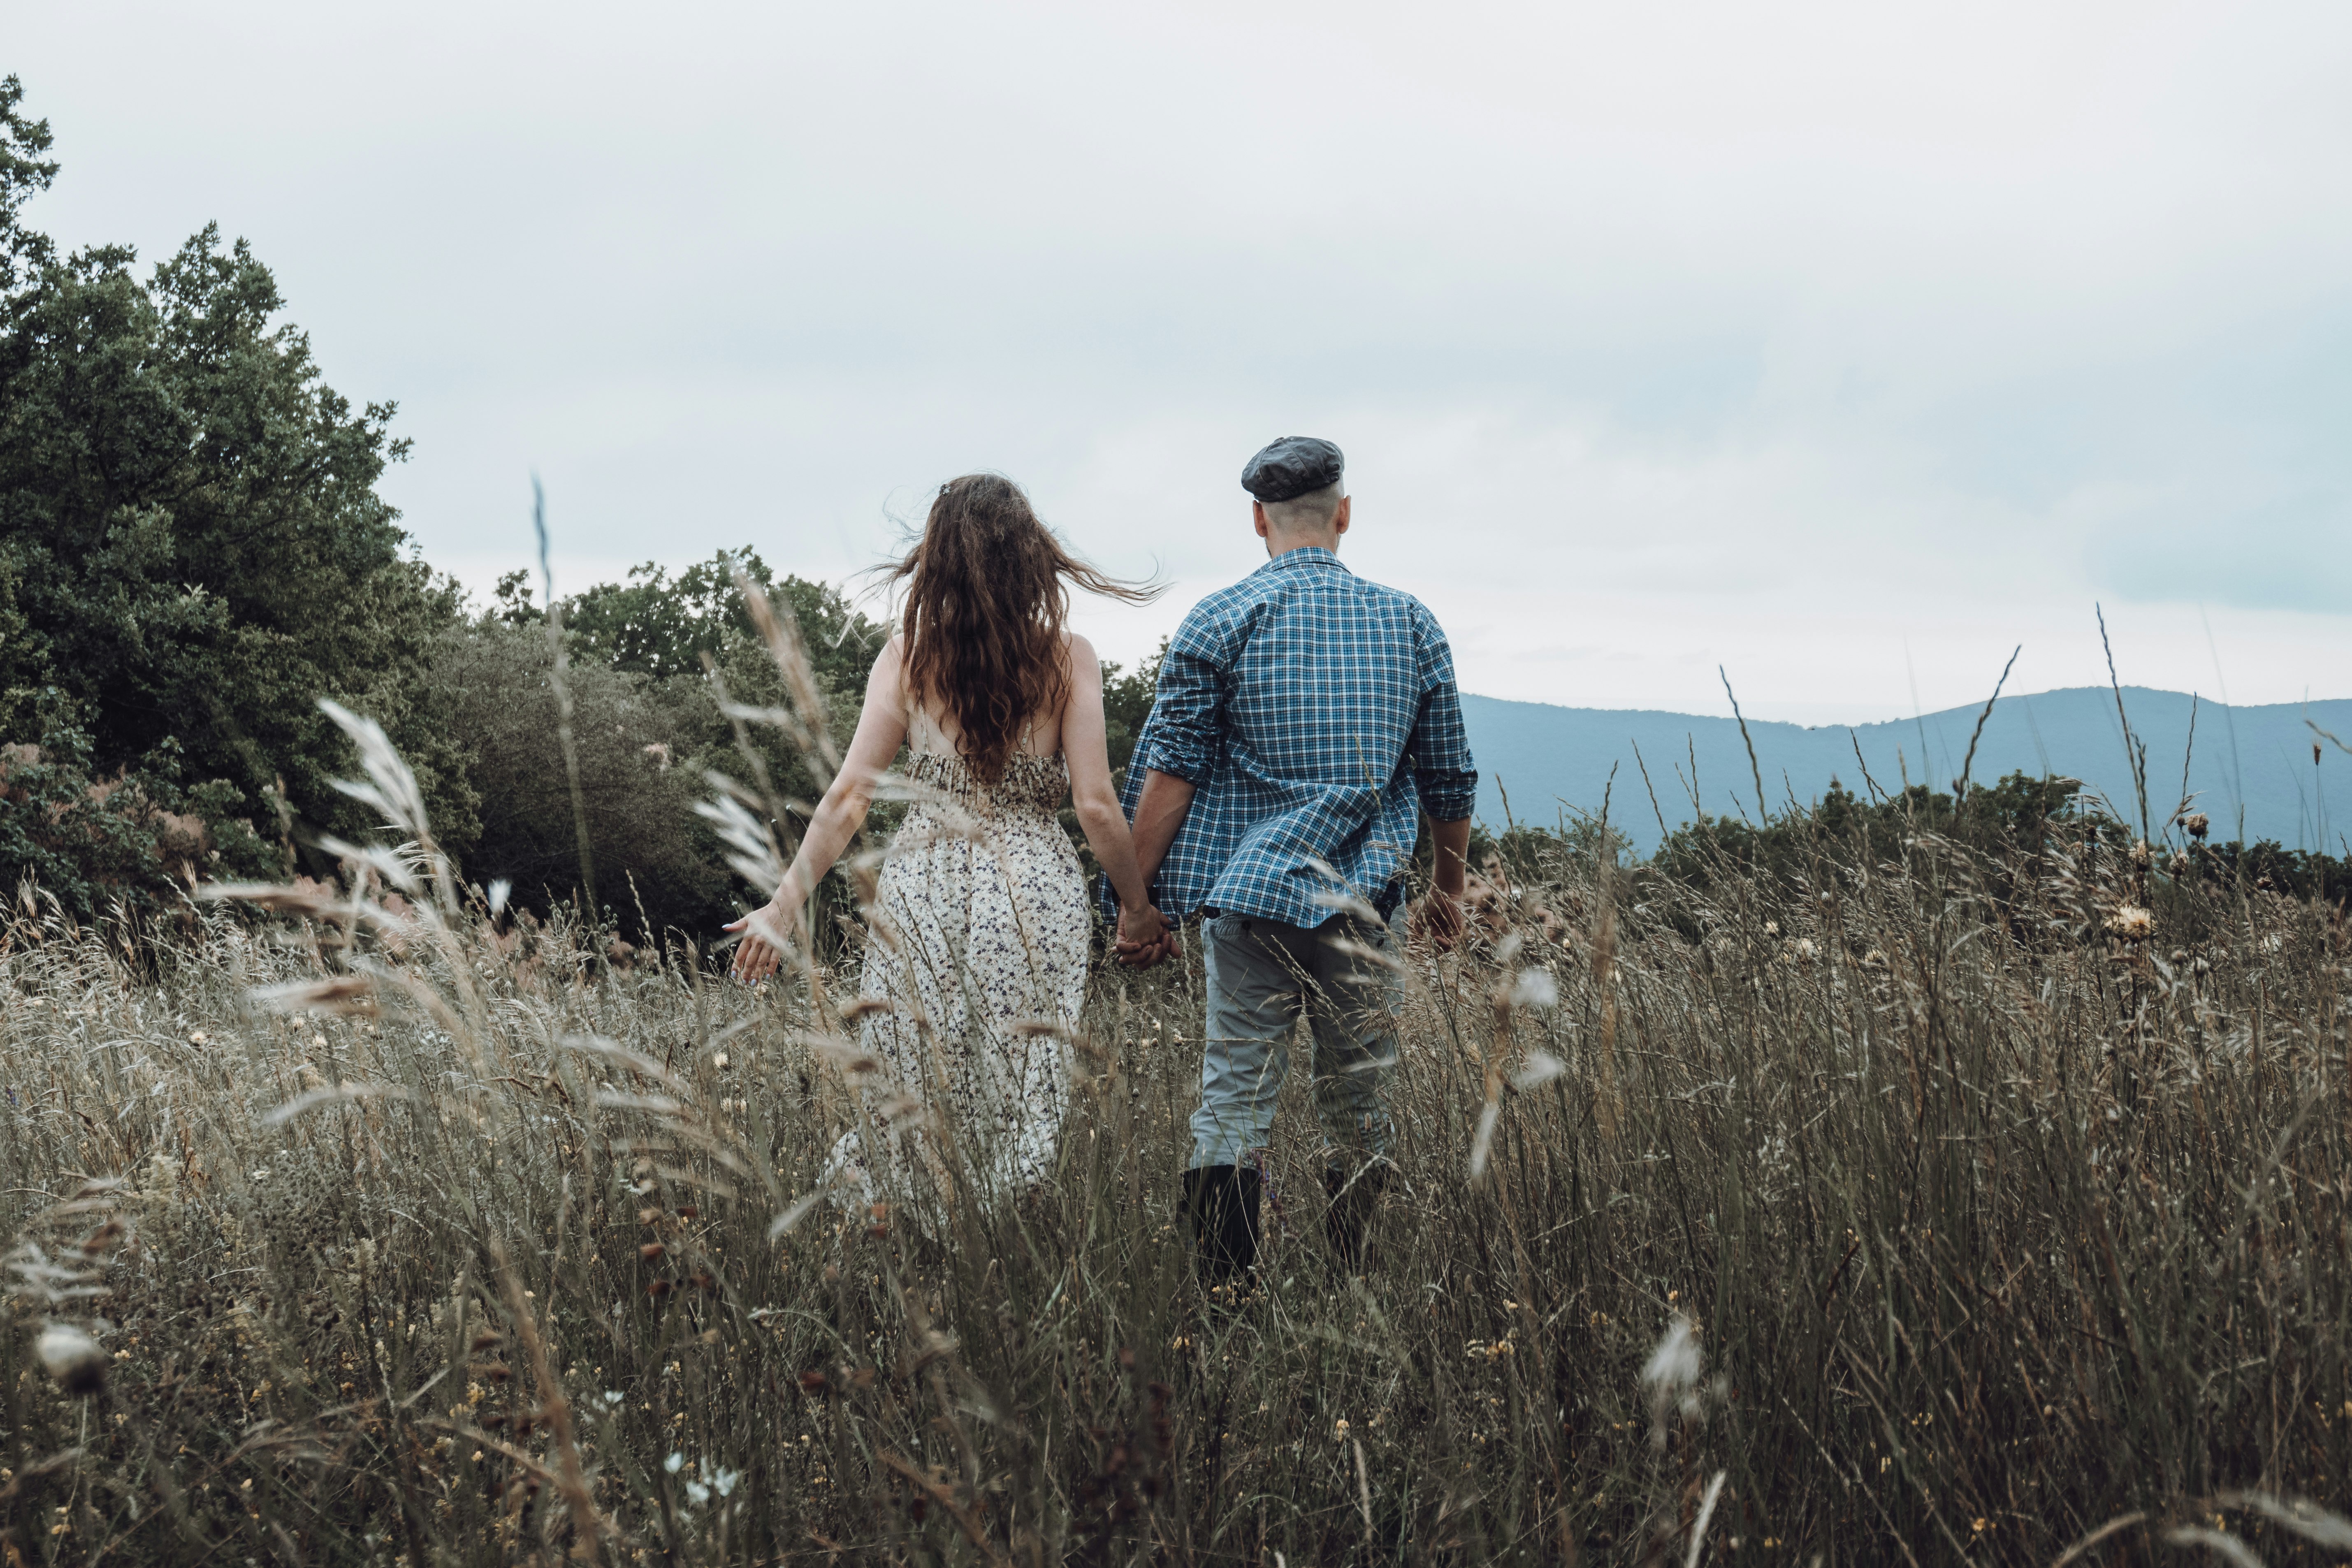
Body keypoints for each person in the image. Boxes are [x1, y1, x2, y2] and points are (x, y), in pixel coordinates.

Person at [729, 474, 1169, 1210]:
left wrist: (781, 908)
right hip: (1034, 890)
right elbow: (1096, 805)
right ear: (1032, 558)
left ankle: (907, 1230)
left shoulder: (908, 657)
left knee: (912, 1071)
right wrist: (1138, 911)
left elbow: (848, 798)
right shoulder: (1069, 657)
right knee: (1022, 1072)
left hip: (921, 884)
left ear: (937, 560)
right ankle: (1004, 1235)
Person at [1112, 435, 1477, 1286]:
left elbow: (1170, 772)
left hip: (1250, 904)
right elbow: (1448, 772)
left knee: (1234, 1096)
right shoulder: (1410, 621)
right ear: (1344, 513)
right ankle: (1353, 1281)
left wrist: (1135, 903)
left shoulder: (1219, 618)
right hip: (1365, 903)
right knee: (1359, 1105)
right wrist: (1448, 892)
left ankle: (1226, 1298)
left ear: (1257, 519)